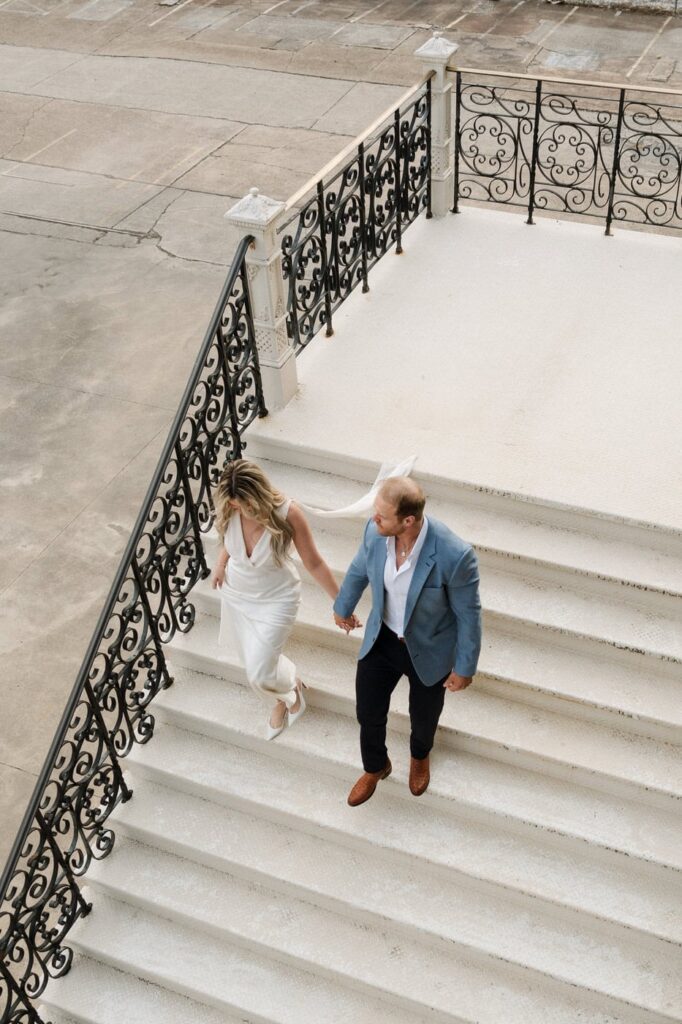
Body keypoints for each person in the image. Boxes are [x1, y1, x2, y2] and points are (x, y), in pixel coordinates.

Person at [333, 476, 482, 806]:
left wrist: (465, 667)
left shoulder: (455, 555)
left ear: (408, 520)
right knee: (368, 712)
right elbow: (359, 569)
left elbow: (469, 615)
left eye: (382, 515)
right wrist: (343, 607)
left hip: (430, 648)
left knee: (423, 717)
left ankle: (419, 756)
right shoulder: (375, 533)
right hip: (382, 639)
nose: (374, 519)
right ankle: (376, 766)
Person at [211, 459, 350, 740]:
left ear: (259, 493)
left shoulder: (288, 513)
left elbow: (315, 563)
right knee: (253, 662)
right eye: (236, 504)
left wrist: (342, 604)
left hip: (277, 598)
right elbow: (229, 539)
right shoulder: (231, 507)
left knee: (259, 673)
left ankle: (290, 688)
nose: (240, 509)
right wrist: (221, 563)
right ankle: (282, 697)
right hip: (237, 593)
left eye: (246, 504)